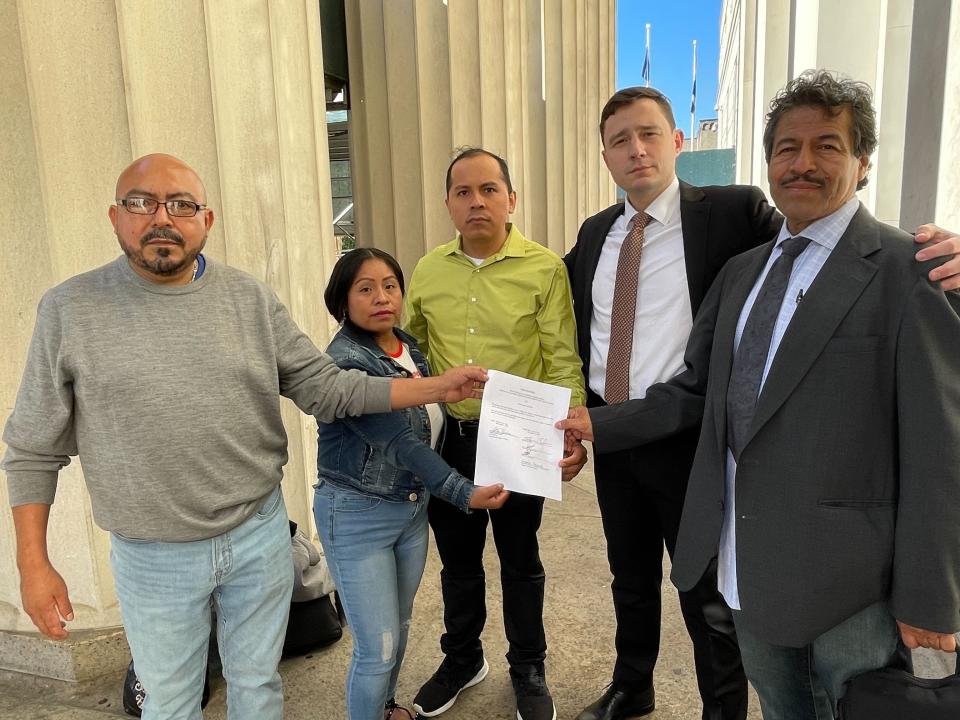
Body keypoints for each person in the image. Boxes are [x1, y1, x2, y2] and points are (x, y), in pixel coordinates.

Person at [2, 153, 487, 720]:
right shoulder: (69, 309)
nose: (163, 217)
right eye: (142, 202)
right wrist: (33, 564)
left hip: (256, 536)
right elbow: (33, 447)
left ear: (206, 220)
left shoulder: (249, 299)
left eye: (182, 205)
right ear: (116, 217)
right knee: (172, 703)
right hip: (153, 554)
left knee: (258, 689)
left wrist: (437, 388)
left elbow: (327, 389)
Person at [561, 70, 960, 720]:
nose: (802, 163)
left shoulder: (908, 271)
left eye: (827, 146)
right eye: (786, 148)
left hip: (854, 583)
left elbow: (941, 449)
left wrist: (932, 597)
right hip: (748, 565)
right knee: (779, 705)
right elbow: (695, 388)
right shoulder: (743, 273)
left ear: (861, 163)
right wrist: (590, 423)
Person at [404, 148, 587, 720]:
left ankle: (528, 667)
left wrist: (573, 430)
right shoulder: (430, 269)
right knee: (457, 562)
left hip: (519, 437)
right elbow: (410, 351)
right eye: (463, 192)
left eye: (488, 189)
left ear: (512, 199)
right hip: (451, 439)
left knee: (519, 558)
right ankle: (462, 658)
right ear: (448, 205)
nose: (476, 201)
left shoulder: (544, 268)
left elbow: (562, 357)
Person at [313, 248, 510, 720]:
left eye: (390, 286)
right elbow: (401, 443)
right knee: (376, 647)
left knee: (396, 629)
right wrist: (465, 492)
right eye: (365, 288)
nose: (381, 297)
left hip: (409, 513)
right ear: (342, 301)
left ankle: (384, 707)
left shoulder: (406, 347)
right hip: (357, 516)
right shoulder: (346, 363)